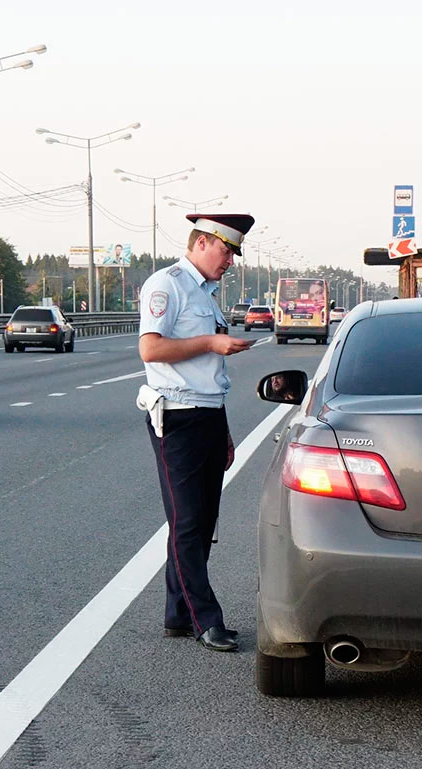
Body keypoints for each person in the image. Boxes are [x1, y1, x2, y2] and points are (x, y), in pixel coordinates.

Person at [137, 212, 254, 652]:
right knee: (186, 522)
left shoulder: (206, 292)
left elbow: (210, 372)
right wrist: (210, 343)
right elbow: (151, 347)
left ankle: (178, 614)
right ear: (202, 242)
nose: (230, 261)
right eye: (226, 251)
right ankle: (207, 618)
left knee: (202, 523)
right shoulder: (167, 285)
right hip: (177, 417)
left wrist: (222, 429)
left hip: (207, 413)